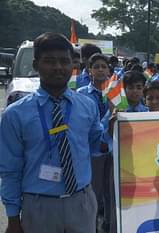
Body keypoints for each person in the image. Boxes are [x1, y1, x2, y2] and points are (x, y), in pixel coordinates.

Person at [0, 32, 103, 233]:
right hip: (39, 207)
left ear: (73, 65)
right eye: (49, 61)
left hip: (81, 203)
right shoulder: (16, 114)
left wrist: (112, 129)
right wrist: (13, 218)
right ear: (36, 64)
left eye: (64, 61)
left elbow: (96, 146)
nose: (58, 67)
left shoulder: (88, 106)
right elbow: (10, 170)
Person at [76, 53, 115, 233]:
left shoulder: (116, 92)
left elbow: (121, 118)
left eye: (103, 66)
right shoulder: (81, 95)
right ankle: (91, 226)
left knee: (112, 191)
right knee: (93, 193)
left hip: (114, 149)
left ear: (109, 70)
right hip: (92, 151)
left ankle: (109, 224)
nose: (100, 70)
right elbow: (85, 124)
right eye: (96, 66)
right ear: (89, 71)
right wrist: (109, 115)